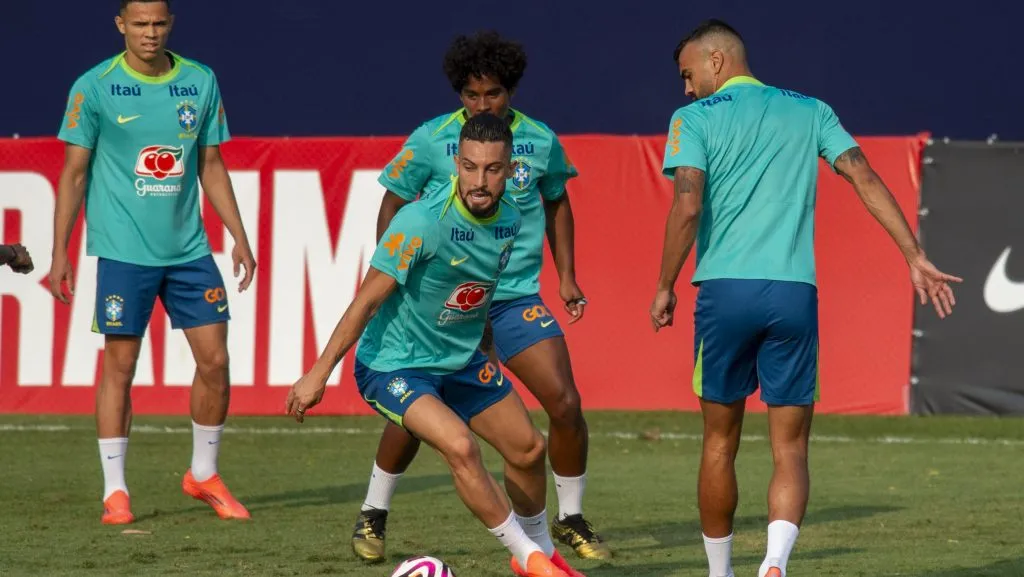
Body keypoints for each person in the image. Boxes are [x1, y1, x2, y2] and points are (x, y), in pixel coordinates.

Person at [649, 19, 961, 577]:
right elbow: (863, 176)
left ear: (716, 60)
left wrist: (665, 284)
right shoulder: (811, 109)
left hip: (725, 292)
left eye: (688, 73)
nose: (687, 87)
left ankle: (720, 575)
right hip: (794, 294)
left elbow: (688, 206)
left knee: (720, 444)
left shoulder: (692, 119)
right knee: (790, 448)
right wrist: (914, 256)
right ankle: (774, 565)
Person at [286, 113, 584, 577]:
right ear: (456, 164)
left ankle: (542, 550)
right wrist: (319, 372)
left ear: (510, 171)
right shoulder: (422, 221)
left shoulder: (511, 219)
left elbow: (479, 290)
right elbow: (365, 302)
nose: (478, 180)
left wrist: (484, 348)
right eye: (469, 167)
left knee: (529, 449)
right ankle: (530, 557)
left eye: (491, 169)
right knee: (461, 447)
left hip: (461, 359)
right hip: (395, 365)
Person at [350, 30, 609, 563]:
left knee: (563, 400)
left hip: (510, 297)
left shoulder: (538, 140)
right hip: (440, 299)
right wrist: (398, 274)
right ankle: (375, 510)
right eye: (471, 94)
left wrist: (567, 277)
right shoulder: (432, 138)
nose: (481, 104)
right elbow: (392, 202)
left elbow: (557, 202)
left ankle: (570, 517)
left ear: (509, 90)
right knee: (420, 409)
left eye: (492, 93)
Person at [51, 0, 256, 525]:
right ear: (120, 25)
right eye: (139, 24)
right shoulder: (92, 86)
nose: (149, 33)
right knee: (120, 366)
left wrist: (237, 234)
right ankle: (115, 491)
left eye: (158, 23)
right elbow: (74, 174)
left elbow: (210, 163)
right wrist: (61, 252)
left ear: (171, 24)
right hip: (123, 251)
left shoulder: (200, 80)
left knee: (215, 361)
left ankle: (203, 474)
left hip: (189, 251)